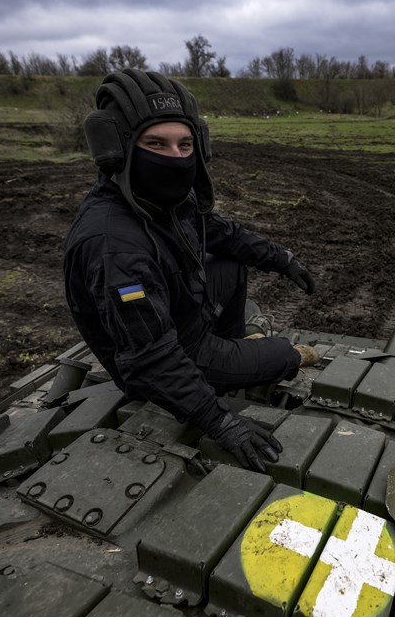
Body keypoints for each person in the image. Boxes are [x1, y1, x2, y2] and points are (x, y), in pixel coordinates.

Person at [63, 69, 319, 473]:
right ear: (119, 149)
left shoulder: (158, 199)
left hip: (183, 319)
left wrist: (280, 258)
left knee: (231, 265)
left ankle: (234, 348)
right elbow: (150, 358)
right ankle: (228, 366)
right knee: (288, 354)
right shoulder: (114, 245)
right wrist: (221, 421)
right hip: (169, 356)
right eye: (156, 144)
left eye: (185, 144)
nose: (176, 157)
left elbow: (220, 233)